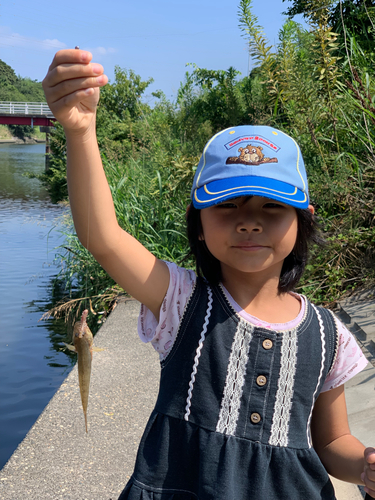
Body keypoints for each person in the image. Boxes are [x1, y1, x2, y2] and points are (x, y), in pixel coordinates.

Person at [43, 49, 375, 500]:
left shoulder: (329, 335)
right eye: (227, 205)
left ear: (303, 223)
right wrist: (80, 131)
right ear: (198, 223)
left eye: (273, 207)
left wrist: (365, 467)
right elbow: (102, 237)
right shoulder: (180, 301)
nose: (249, 221)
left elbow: (333, 441)